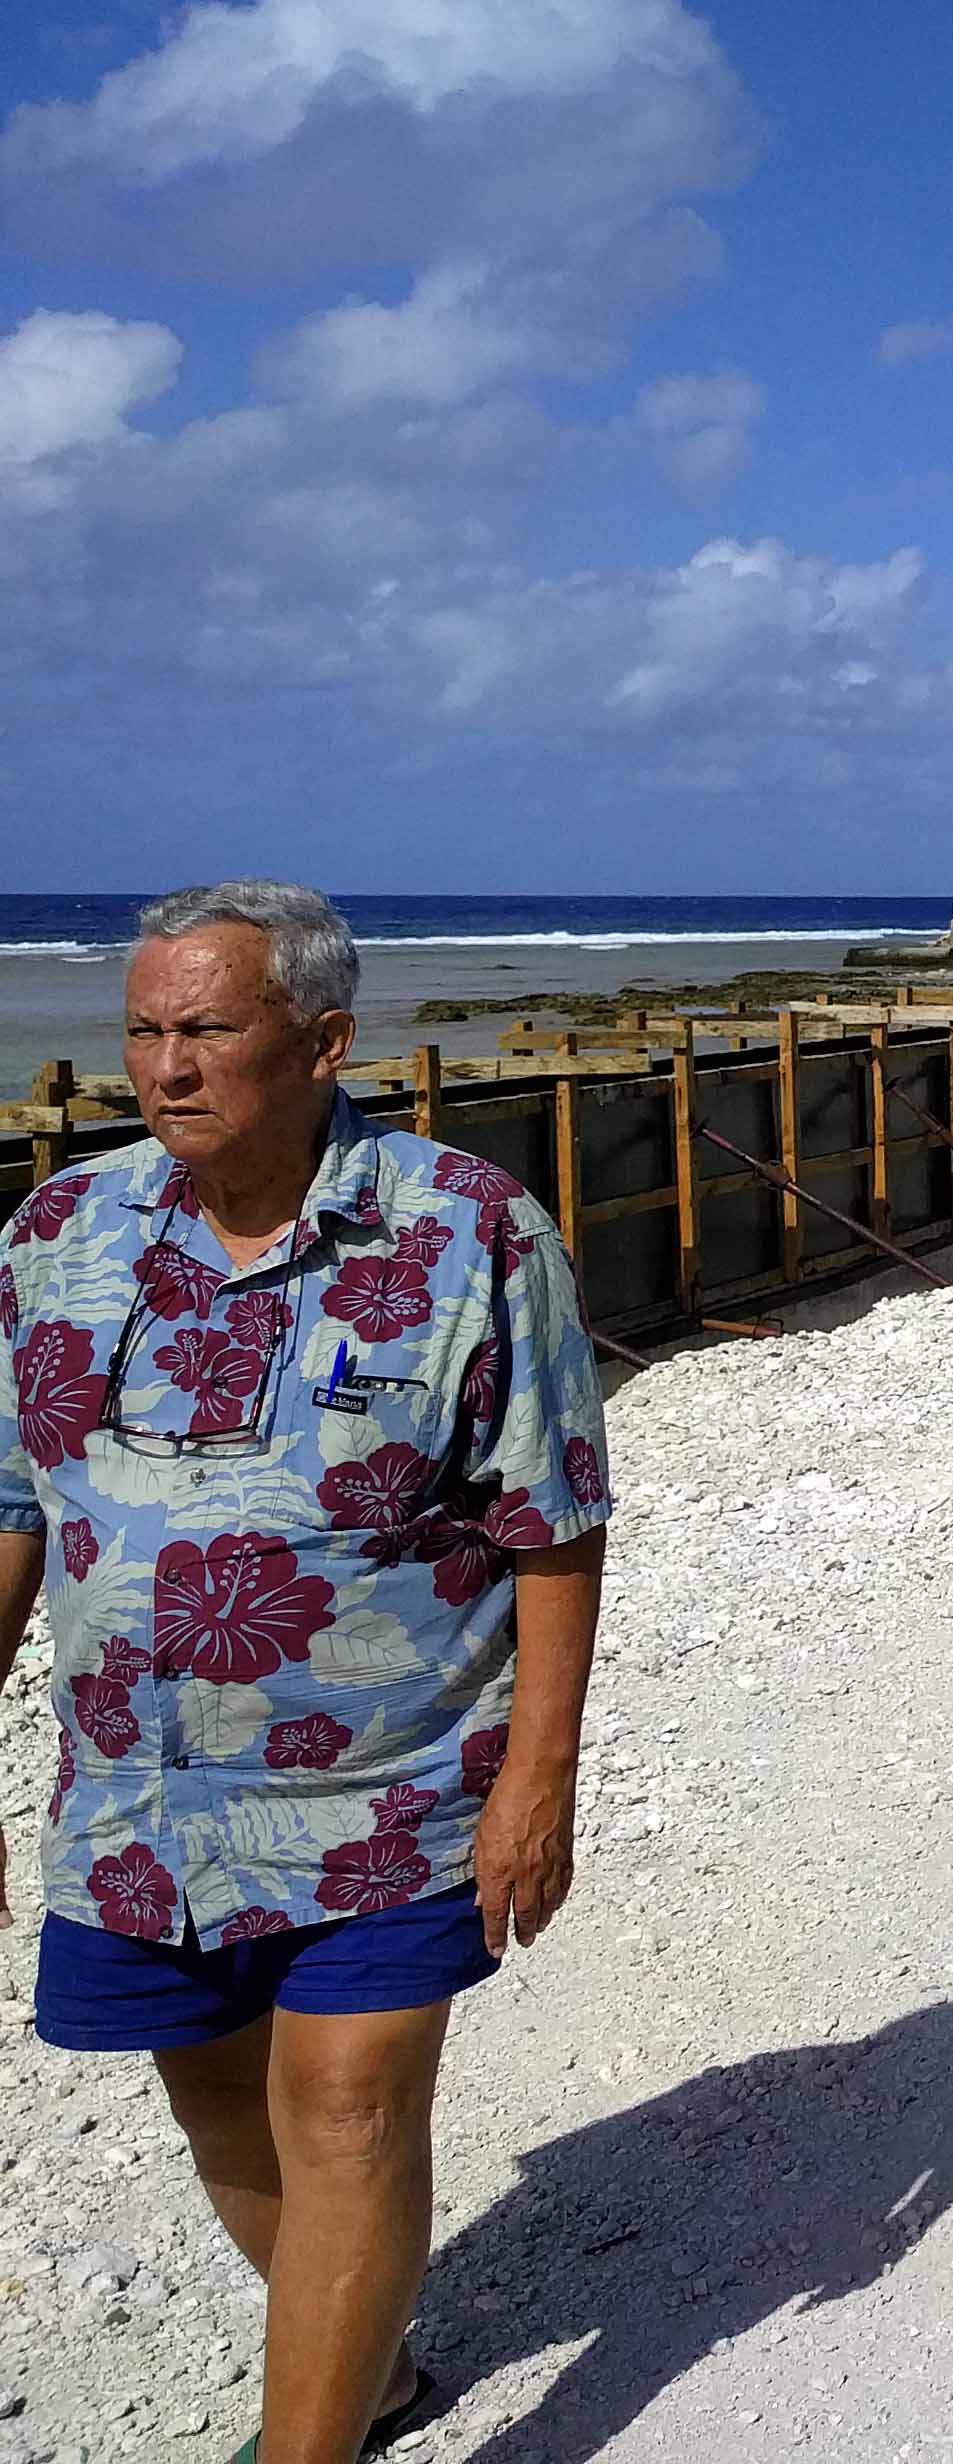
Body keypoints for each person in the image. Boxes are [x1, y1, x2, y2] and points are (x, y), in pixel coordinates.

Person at [1, 881, 612, 2464]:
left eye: (207, 1028)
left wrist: (538, 1781)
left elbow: (551, 1519)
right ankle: (371, 2361)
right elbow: (12, 1507)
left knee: (345, 2109)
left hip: (390, 1785)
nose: (163, 1065)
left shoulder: (471, 1228)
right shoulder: (58, 1236)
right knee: (219, 2110)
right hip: (136, 1795)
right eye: (142, 1029)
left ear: (326, 1041)